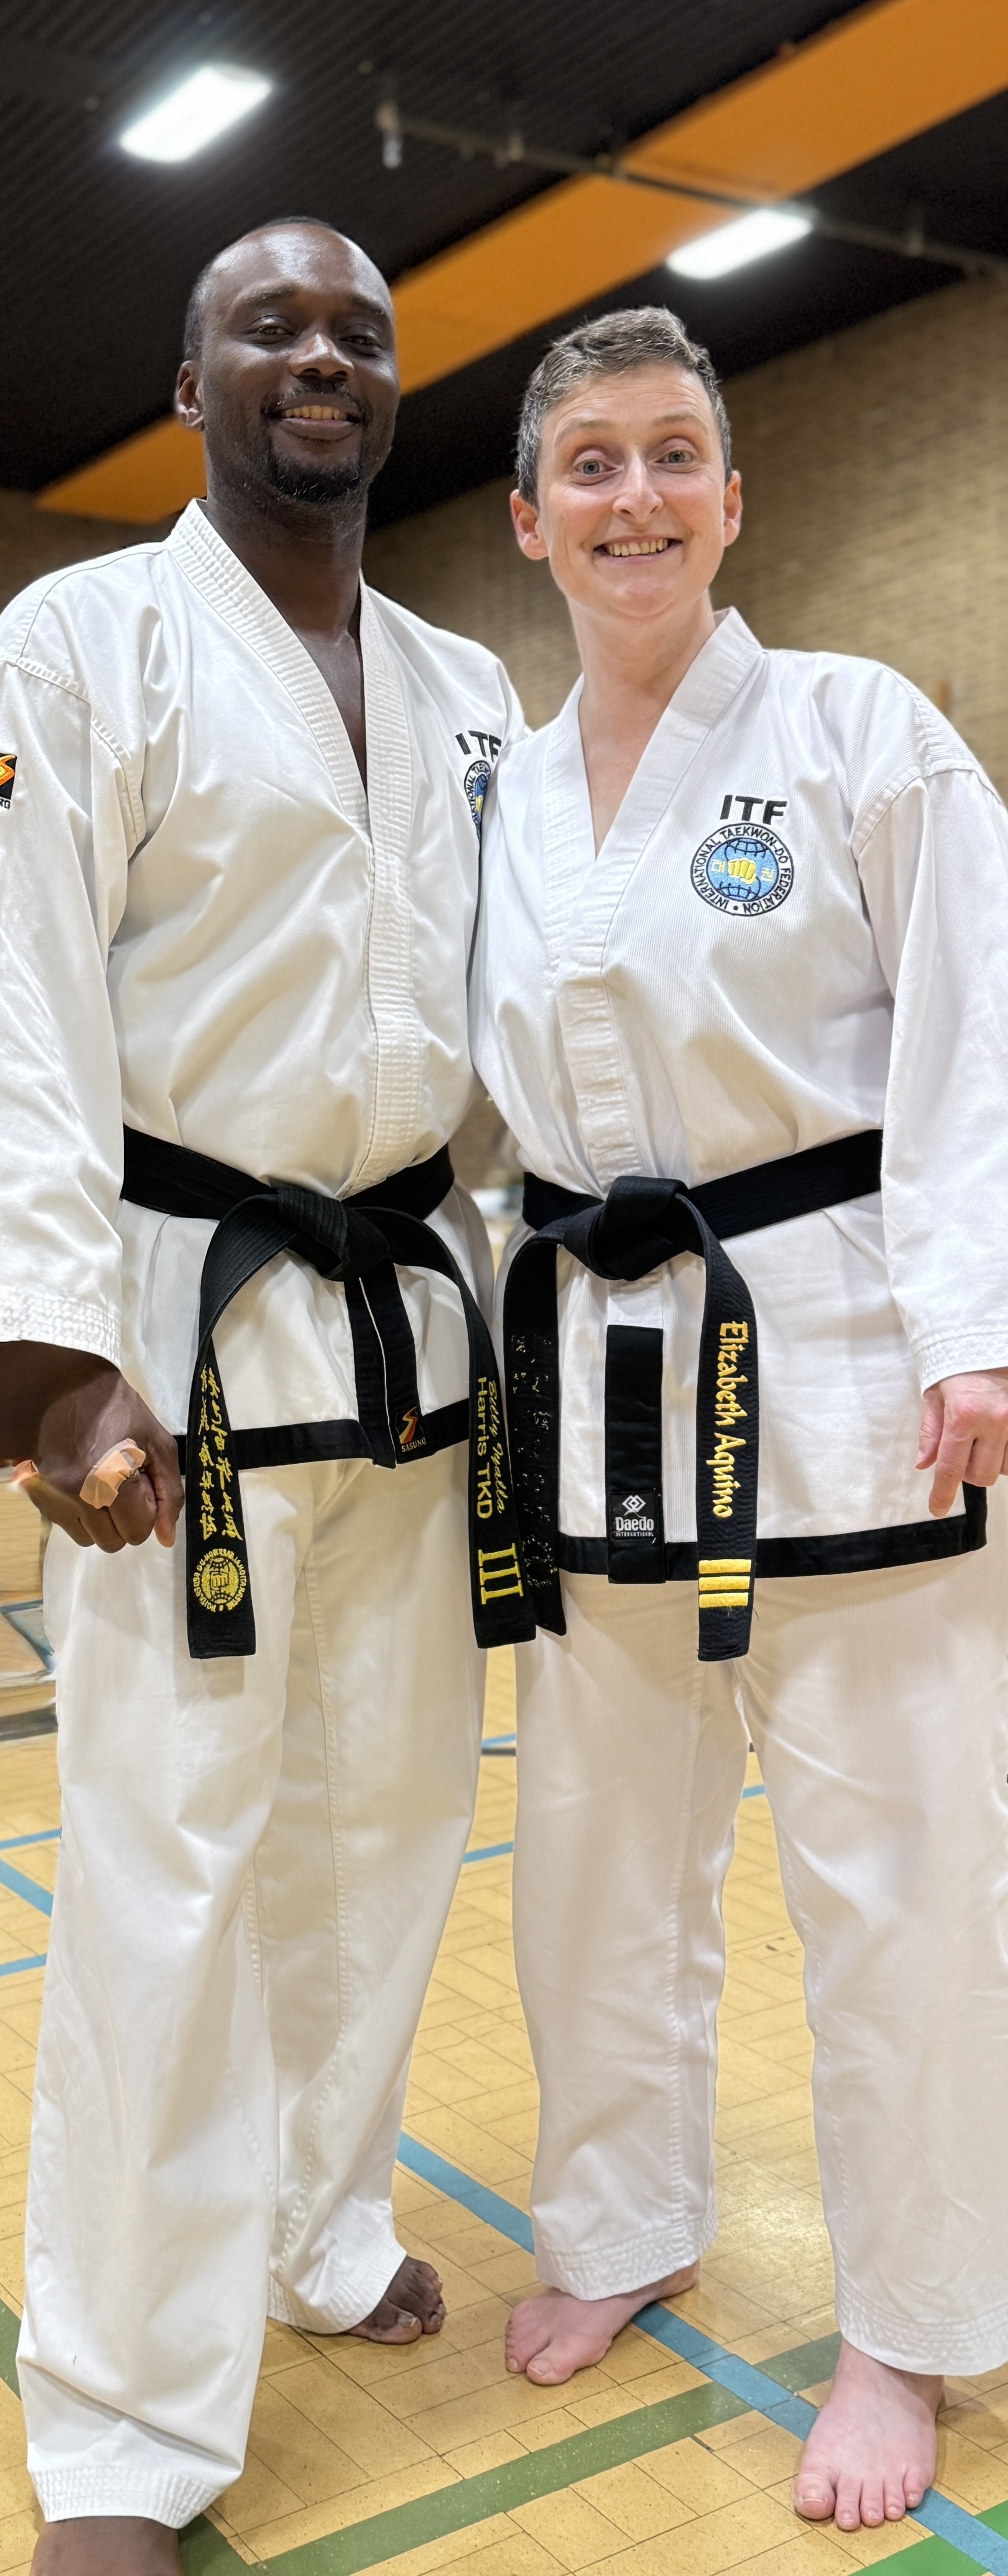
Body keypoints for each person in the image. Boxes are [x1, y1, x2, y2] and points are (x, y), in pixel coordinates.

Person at [469, 306, 1008, 2534]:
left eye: (674, 454)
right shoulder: (498, 796)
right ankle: (624, 2221)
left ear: (734, 499)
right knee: (593, 1867)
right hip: (596, 1398)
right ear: (530, 519)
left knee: (904, 1881)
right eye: (591, 463)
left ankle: (907, 2327)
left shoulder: (861, 731)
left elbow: (984, 1022)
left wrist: (1001, 1327)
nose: (636, 497)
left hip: (855, 1379)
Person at [0, 218, 532, 2575]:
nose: (321, 356)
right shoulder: (78, 643)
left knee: (380, 1840)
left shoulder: (467, 685)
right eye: (269, 327)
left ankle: (318, 2230)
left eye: (358, 332)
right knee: (166, 1879)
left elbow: (534, 1017)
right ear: (190, 380)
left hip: (410, 1333)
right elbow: (18, 1008)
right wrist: (50, 1376)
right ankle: (122, 2420)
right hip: (179, 1355)